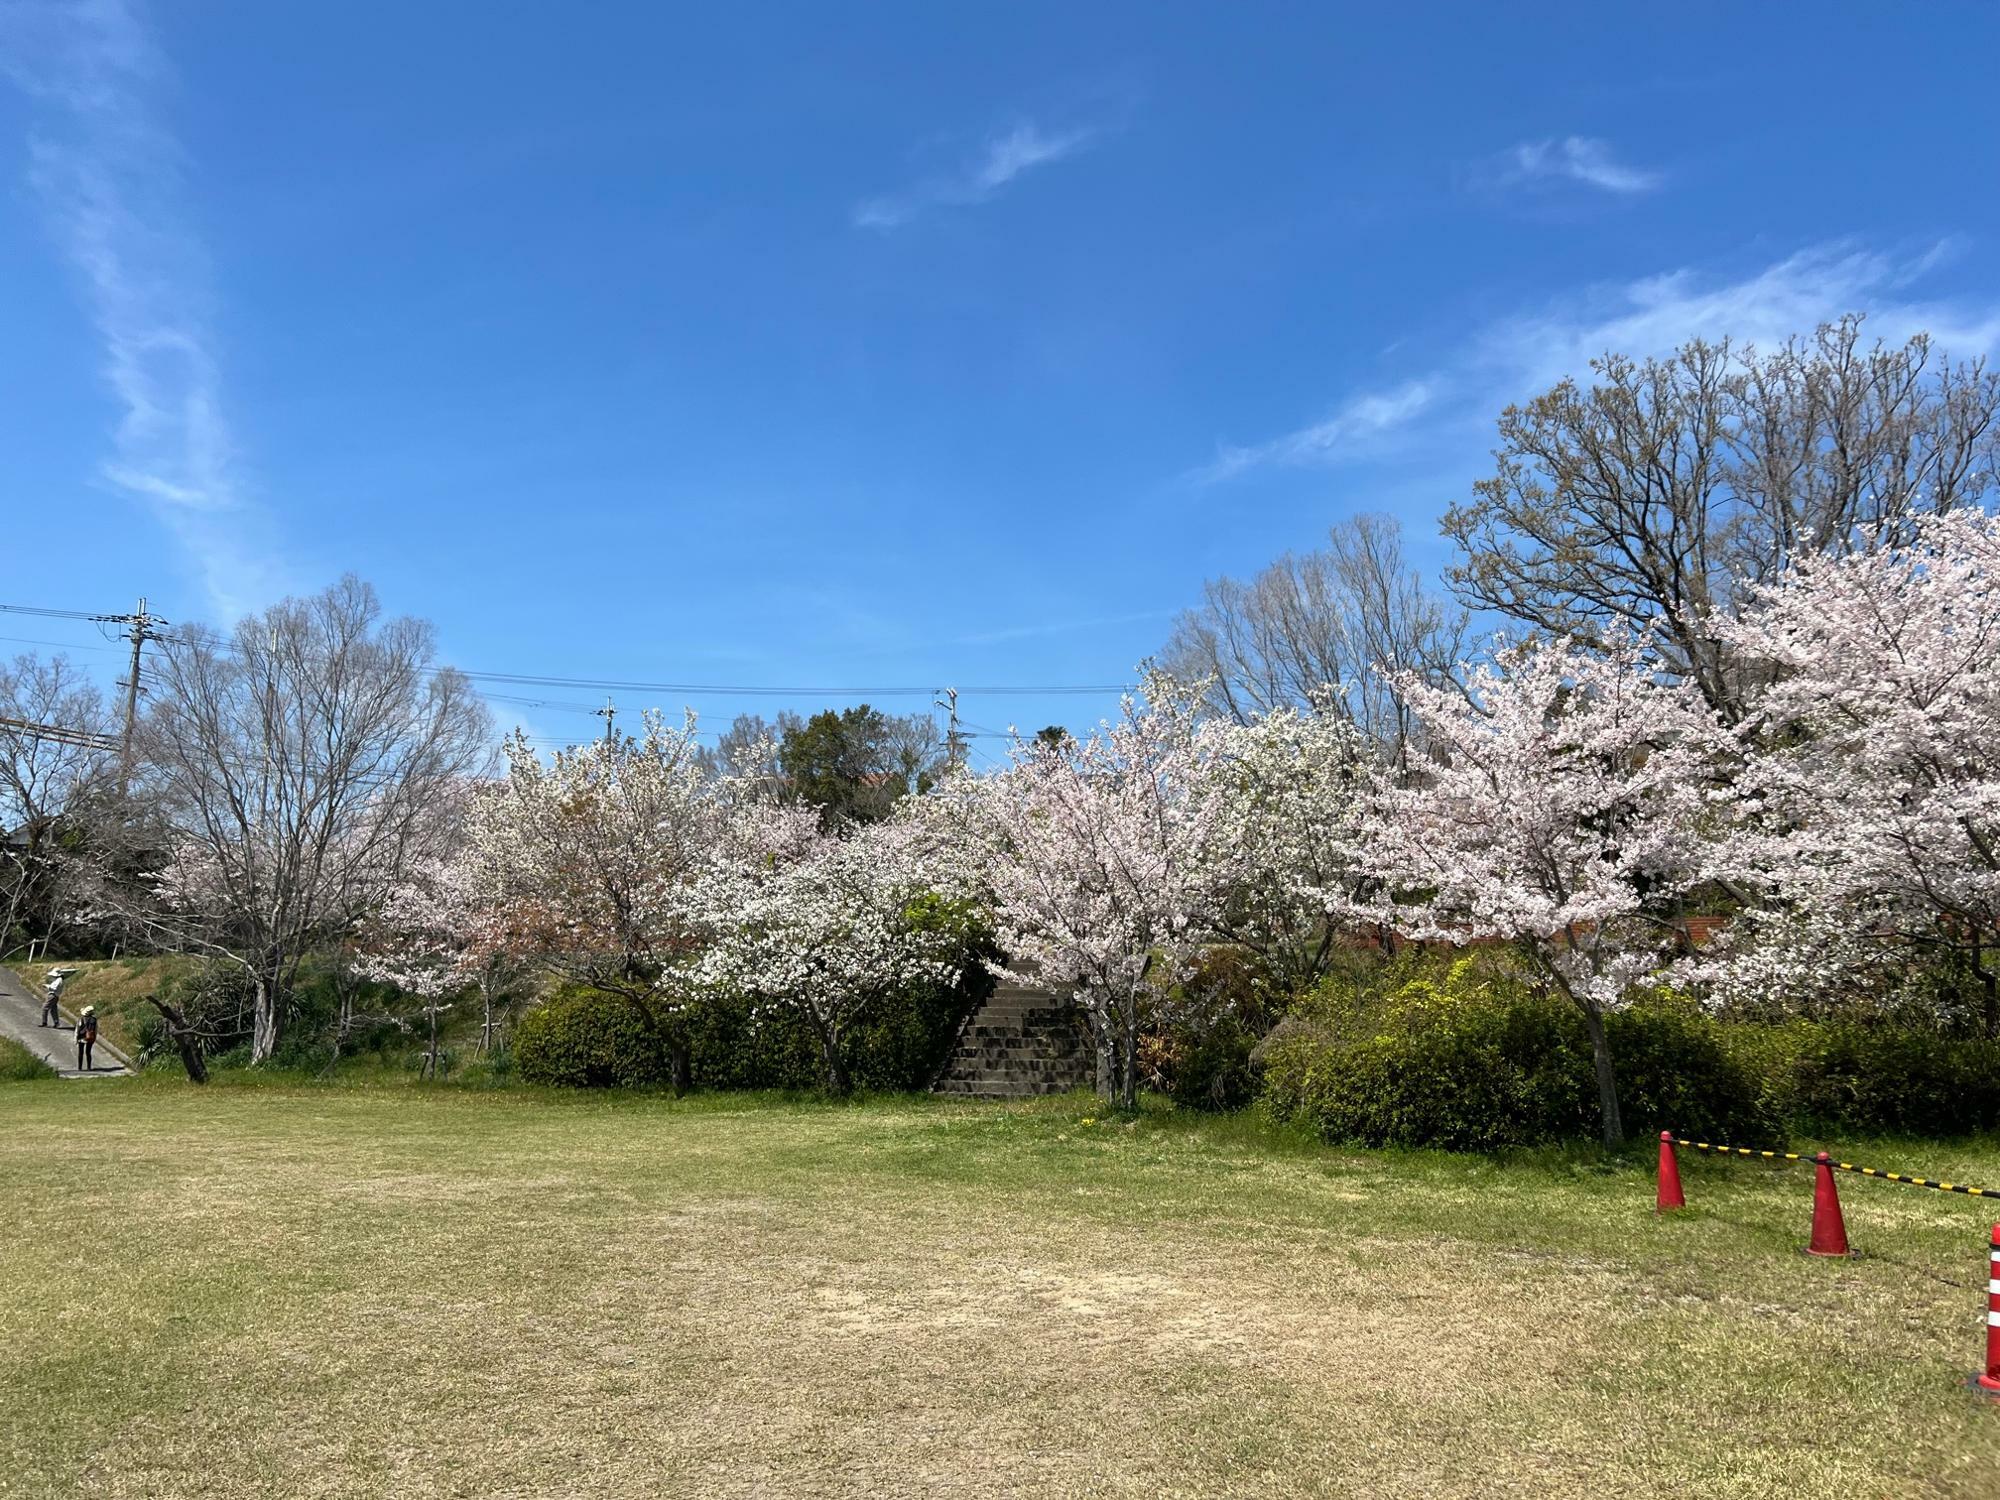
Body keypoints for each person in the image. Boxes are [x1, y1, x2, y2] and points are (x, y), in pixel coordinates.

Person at [74, 1005, 98, 1072]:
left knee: (80, 1053)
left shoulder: (81, 1019)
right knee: (88, 1053)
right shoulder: (94, 1020)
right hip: (90, 1038)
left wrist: (76, 1038)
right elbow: (96, 1030)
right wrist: (94, 1037)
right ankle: (89, 1067)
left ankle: (80, 1067)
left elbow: (77, 1029)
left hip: (82, 1038)